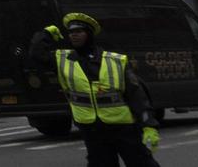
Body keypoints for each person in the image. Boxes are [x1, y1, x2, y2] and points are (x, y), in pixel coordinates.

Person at [29, 11, 160, 166]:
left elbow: (137, 96)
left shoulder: (115, 61)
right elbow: (36, 55)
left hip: (123, 128)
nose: (74, 36)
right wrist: (45, 35)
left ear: (89, 34)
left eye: (79, 32)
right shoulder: (62, 59)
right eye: (71, 32)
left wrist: (148, 125)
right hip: (92, 130)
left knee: (141, 163)